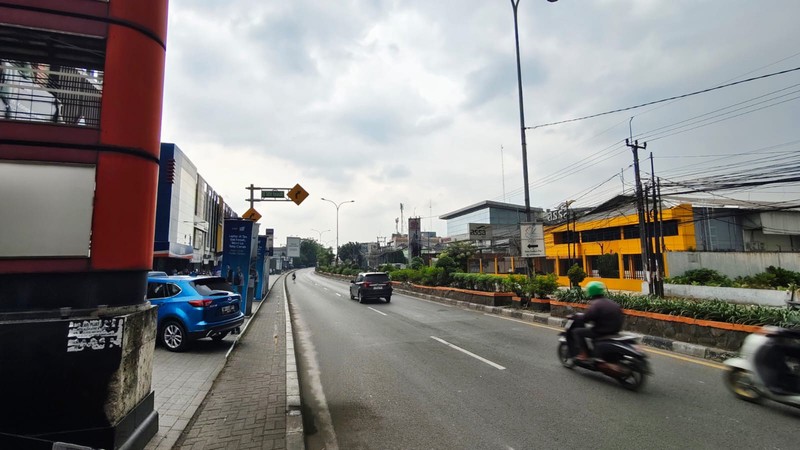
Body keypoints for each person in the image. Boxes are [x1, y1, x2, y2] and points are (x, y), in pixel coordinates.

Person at [573, 281, 624, 362]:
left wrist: (579, 318)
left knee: (577, 332)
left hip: (601, 332)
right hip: (615, 331)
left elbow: (587, 318)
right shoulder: (611, 302)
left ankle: (584, 354)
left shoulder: (596, 304)